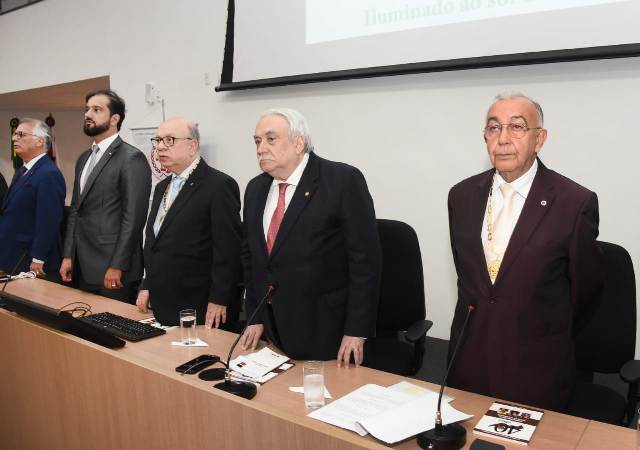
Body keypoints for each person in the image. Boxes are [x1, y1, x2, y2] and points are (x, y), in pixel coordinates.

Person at [447, 92, 603, 411]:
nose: (503, 139)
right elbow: (469, 276)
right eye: (494, 128)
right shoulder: (461, 196)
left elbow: (584, 293)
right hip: (468, 364)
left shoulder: (574, 203)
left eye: (516, 127)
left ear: (539, 139)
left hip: (535, 370)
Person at [239, 108, 381, 367]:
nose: (261, 148)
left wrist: (356, 330)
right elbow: (252, 259)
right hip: (273, 331)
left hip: (328, 330)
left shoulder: (342, 181)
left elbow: (365, 263)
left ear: (298, 143)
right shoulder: (255, 189)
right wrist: (255, 316)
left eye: (271, 139)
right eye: (257, 141)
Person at [136, 117, 242, 327]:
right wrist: (147, 284)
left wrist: (220, 298)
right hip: (163, 301)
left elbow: (229, 250)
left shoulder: (219, 185)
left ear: (192, 146)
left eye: (169, 140)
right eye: (157, 140)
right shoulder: (162, 187)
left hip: (201, 305)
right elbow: (154, 241)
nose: (160, 147)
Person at [60, 89, 151, 303]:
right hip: (82, 265)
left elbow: (133, 219)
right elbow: (76, 210)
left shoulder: (131, 158)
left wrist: (117, 265)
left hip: (113, 269)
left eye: (96, 110)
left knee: (112, 324)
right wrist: (68, 255)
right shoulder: (83, 158)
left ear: (114, 119)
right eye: (86, 109)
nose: (88, 114)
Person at [0, 118, 65, 278]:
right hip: (12, 255)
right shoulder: (22, 171)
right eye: (15, 134)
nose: (14, 138)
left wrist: (38, 257)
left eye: (21, 134)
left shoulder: (49, 174)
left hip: (30, 259)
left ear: (39, 141)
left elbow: (48, 220)